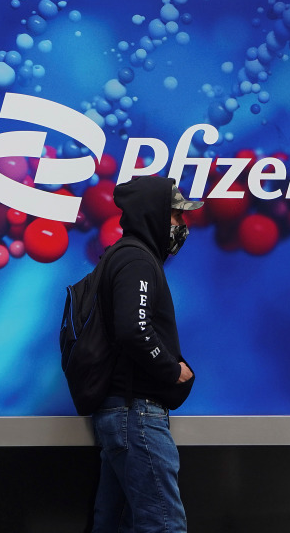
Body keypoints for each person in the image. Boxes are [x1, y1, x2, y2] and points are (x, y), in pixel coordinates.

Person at [90, 175, 200, 533]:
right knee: (164, 525)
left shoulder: (124, 256)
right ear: (153, 214)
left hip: (123, 413)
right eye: (176, 216)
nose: (182, 225)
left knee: (117, 524)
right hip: (137, 415)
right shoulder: (136, 260)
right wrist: (173, 369)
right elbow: (133, 329)